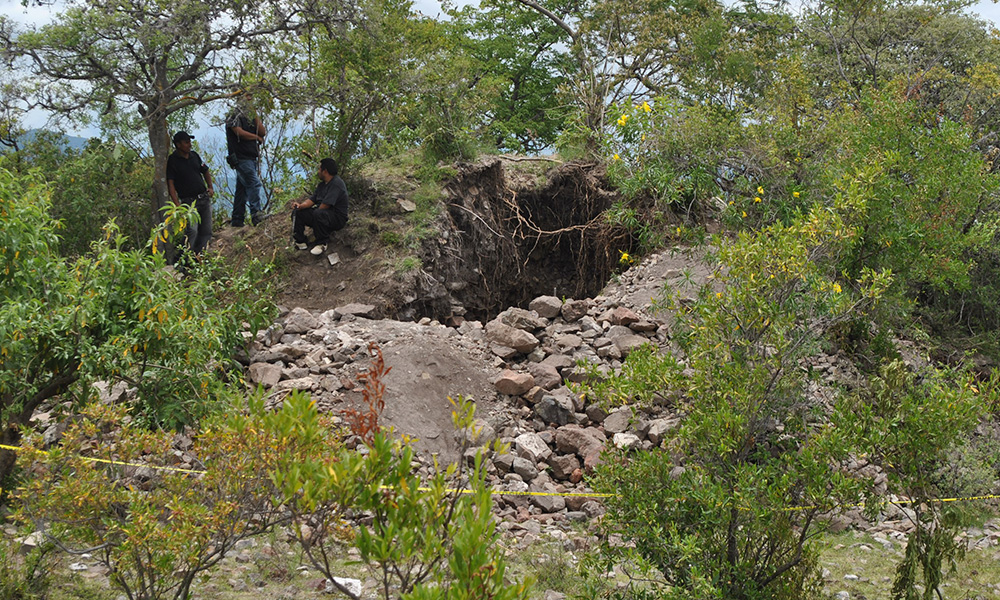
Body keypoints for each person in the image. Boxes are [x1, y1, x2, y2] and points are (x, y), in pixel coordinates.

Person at [166, 131, 214, 260]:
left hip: (203, 198)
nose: (189, 145)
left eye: (189, 142)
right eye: (186, 142)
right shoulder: (173, 160)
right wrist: (177, 205)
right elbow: (170, 184)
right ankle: (183, 260)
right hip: (188, 202)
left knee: (206, 231)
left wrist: (210, 187)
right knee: (192, 231)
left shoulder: (194, 156)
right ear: (178, 144)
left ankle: (200, 258)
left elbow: (205, 170)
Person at [292, 158, 349, 256]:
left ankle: (322, 243)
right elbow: (312, 200)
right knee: (298, 212)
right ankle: (301, 241)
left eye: (319, 169)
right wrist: (301, 206)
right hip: (322, 214)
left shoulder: (336, 184)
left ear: (325, 171)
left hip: (337, 218)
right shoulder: (322, 185)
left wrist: (313, 214)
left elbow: (326, 205)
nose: (318, 172)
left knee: (318, 213)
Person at [225, 101, 266, 227]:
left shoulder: (251, 116)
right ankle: (256, 214)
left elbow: (262, 132)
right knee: (254, 183)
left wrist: (255, 115)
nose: (250, 100)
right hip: (240, 157)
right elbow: (239, 132)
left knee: (242, 189)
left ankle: (237, 219)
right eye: (247, 97)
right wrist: (255, 137)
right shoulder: (233, 115)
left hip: (251, 157)